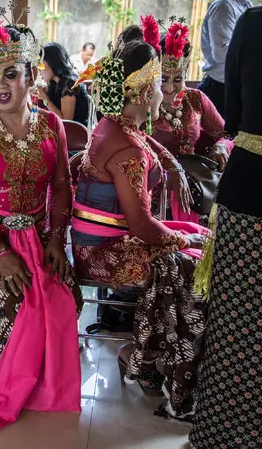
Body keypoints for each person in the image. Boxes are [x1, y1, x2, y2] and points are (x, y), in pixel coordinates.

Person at [0, 6, 81, 432]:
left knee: (64, 293)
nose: (0, 84)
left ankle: (43, 382)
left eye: (10, 73)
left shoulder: (52, 126)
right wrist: (1, 253)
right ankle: (4, 381)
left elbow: (61, 187)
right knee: (15, 299)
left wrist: (57, 241)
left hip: (40, 237)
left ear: (31, 76)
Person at [71, 26, 210, 424]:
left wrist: (190, 228)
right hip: (102, 254)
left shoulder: (113, 126)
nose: (164, 93)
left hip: (98, 241)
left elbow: (150, 154)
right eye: (158, 84)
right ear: (146, 91)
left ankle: (148, 355)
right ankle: (147, 359)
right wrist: (183, 234)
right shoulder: (128, 146)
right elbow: (145, 227)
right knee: (196, 264)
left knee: (202, 242)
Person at [188, 1, 262, 447]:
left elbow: (232, 116)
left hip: (251, 194)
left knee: (240, 326)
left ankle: (224, 433)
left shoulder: (255, 24)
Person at [151, 21, 233, 224]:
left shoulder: (195, 99)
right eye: (163, 79)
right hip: (152, 189)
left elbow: (227, 133)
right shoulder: (145, 102)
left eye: (177, 79)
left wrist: (222, 146)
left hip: (193, 189)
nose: (169, 88)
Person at [198, 0, 252, 117]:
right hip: (220, 90)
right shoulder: (224, 7)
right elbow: (221, 53)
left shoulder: (246, 4)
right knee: (220, 134)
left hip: (234, 87)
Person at [38, 42, 90, 126]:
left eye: (41, 65)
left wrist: (45, 98)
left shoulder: (70, 84)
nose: (38, 70)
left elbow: (65, 123)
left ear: (52, 63)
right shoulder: (54, 83)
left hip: (76, 135)